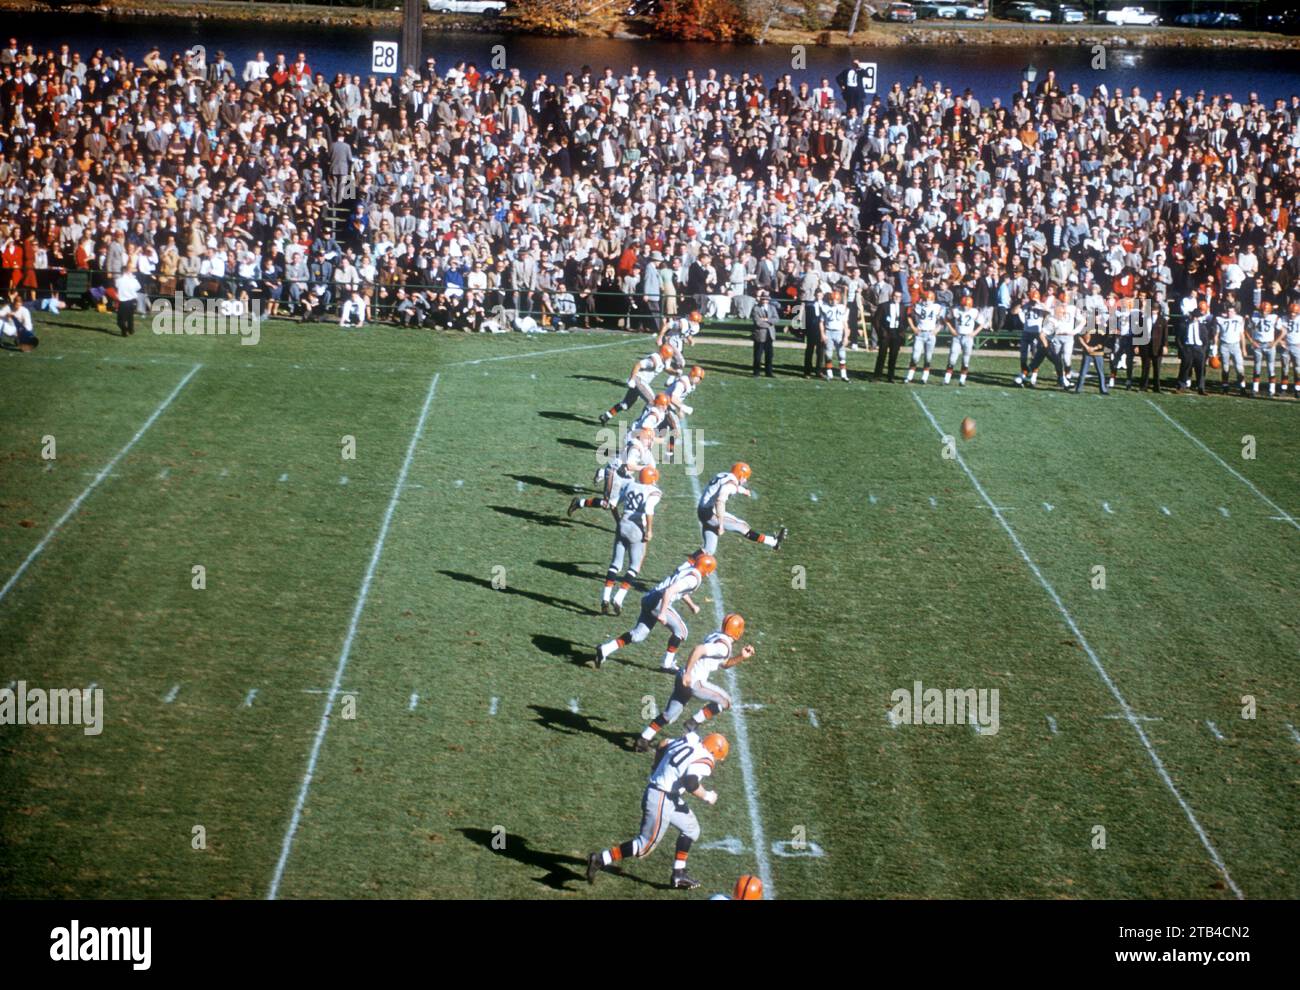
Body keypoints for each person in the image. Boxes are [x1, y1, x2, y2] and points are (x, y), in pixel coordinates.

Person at [586, 731, 730, 891]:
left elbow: (663, 743)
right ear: (714, 752)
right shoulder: (706, 759)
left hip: (668, 795)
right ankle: (600, 859)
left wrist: (656, 766)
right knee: (644, 846)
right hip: (661, 797)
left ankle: (678, 873)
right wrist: (707, 796)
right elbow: (690, 783)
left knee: (691, 829)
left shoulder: (692, 739)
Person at [635, 614, 754, 751]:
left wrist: (741, 657)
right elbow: (698, 649)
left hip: (682, 677)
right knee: (726, 702)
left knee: (669, 714)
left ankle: (643, 738)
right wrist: (688, 673)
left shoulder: (717, 636)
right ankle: (693, 722)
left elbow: (724, 663)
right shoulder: (724, 647)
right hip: (694, 681)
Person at [595, 553, 712, 672]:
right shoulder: (693, 579)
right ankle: (667, 664)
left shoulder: (688, 569)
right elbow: (669, 591)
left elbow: (679, 589)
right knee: (682, 631)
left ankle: (605, 649)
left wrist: (691, 605)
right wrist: (662, 613)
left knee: (638, 635)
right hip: (659, 602)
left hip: (649, 598)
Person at [602, 466, 662, 615]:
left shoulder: (630, 485)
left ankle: (605, 597)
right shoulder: (654, 492)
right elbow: (648, 509)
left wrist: (618, 521)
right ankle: (619, 598)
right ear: (652, 479)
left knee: (615, 564)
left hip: (623, 524)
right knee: (634, 566)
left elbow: (613, 504)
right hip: (636, 529)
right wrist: (649, 530)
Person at [1176, 300, 1212, 395]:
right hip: (1188, 348)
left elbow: (1206, 340)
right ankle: (1181, 386)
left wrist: (1203, 349)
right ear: (1191, 316)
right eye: (1194, 316)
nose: (1195, 318)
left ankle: (1201, 387)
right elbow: (1179, 338)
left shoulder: (1202, 327)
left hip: (1198, 348)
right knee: (1185, 367)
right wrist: (1182, 349)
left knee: (1200, 369)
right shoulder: (1184, 325)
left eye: (1197, 317)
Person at [873, 289, 905, 382]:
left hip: (896, 333)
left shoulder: (903, 307)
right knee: (882, 355)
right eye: (895, 296)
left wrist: (901, 332)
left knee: (893, 356)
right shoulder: (884, 305)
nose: (897, 298)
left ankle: (890, 376)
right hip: (886, 333)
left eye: (899, 297)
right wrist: (881, 332)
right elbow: (876, 320)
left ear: (901, 298)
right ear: (892, 296)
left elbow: (904, 321)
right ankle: (877, 375)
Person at [1074, 323, 1110, 395]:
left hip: (1098, 353)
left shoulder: (1104, 328)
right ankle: (1078, 389)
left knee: (1100, 373)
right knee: (1083, 371)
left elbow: (1104, 342)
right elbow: (1079, 337)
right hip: (1087, 353)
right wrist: (1086, 347)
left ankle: (1103, 389)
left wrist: (1094, 348)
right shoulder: (1087, 326)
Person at [751, 289, 777, 378]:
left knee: (769, 355)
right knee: (758, 355)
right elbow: (758, 322)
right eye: (763, 299)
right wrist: (769, 324)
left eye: (766, 299)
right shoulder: (756, 308)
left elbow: (776, 319)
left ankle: (768, 372)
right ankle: (756, 372)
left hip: (769, 335)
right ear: (760, 299)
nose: (765, 301)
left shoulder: (772, 308)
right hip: (760, 335)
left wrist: (766, 320)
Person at [114, 265, 142, 337]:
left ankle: (124, 331)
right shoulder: (133, 280)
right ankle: (130, 329)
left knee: (120, 320)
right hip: (132, 300)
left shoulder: (118, 280)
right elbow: (138, 287)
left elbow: (116, 286)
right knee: (130, 317)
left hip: (123, 302)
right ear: (127, 272)